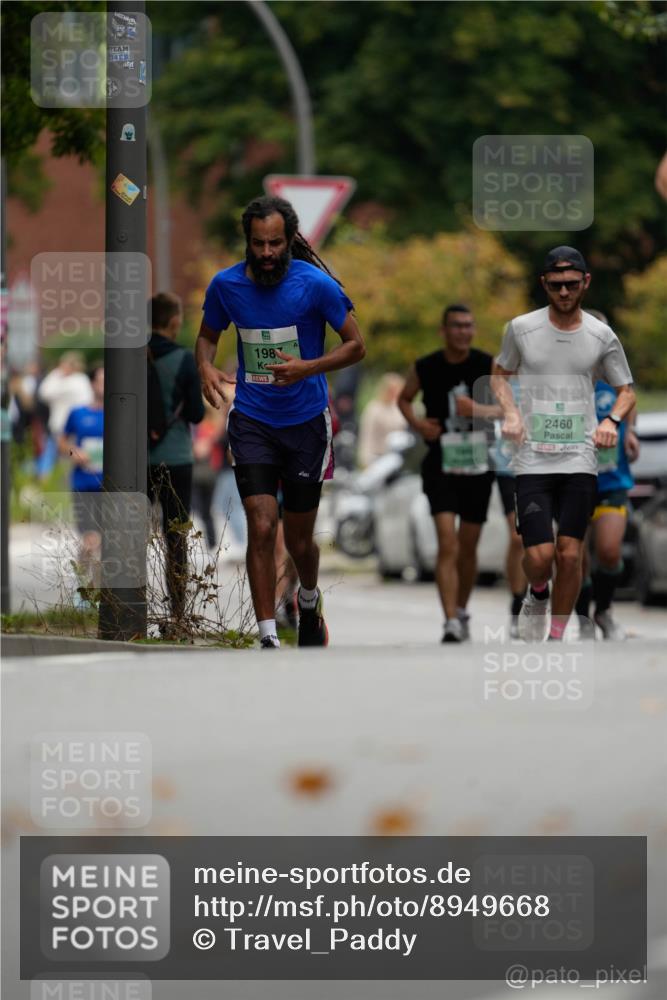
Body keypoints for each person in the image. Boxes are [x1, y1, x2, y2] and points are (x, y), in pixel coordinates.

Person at [195, 194, 365, 649]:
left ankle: (307, 599)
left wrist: (307, 367)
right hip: (253, 420)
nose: (267, 253)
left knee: (300, 539)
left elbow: (356, 345)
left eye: (275, 243)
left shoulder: (316, 285)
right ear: (247, 242)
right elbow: (207, 337)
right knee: (262, 524)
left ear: (289, 240)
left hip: (306, 422)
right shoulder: (226, 286)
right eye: (258, 244)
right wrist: (205, 366)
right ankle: (267, 633)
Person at [492, 247, 635, 641]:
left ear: (586, 282)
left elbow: (626, 390)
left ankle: (556, 636)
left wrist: (612, 421)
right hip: (533, 460)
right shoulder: (521, 328)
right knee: (539, 557)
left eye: (572, 284)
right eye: (556, 285)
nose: (565, 292)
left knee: (570, 553)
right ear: (545, 284)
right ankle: (537, 591)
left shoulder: (601, 335)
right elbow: (500, 375)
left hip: (579, 458)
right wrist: (511, 413)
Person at [398, 304, 500, 643]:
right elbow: (404, 399)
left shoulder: (487, 364)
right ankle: (450, 621)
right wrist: (418, 425)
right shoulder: (426, 366)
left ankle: (461, 608)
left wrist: (477, 409)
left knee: (468, 546)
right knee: (447, 543)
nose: (463, 331)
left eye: (468, 326)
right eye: (456, 326)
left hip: (478, 463)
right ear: (444, 331)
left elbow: (508, 408)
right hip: (440, 462)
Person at [575, 311, 640, 640]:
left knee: (609, 550)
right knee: (574, 556)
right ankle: (582, 618)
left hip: (611, 479)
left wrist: (631, 432)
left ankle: (603, 611)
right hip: (573, 478)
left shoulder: (616, 374)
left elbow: (630, 398)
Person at [147, 292, 205, 626]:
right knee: (176, 538)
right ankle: (178, 614)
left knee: (129, 535)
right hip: (177, 459)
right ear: (174, 321)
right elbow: (196, 414)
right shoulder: (183, 359)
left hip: (138, 459)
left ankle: (127, 606)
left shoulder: (133, 356)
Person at [59, 365, 105, 600]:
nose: (104, 385)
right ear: (92, 383)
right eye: (101, 380)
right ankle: (84, 593)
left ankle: (97, 594)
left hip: (109, 488)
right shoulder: (77, 413)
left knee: (104, 542)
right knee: (90, 539)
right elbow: (61, 442)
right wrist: (73, 452)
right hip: (83, 485)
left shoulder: (120, 415)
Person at [37, 351, 93, 478]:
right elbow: (44, 392)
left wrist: (57, 375)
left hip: (71, 429)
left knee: (69, 460)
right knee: (55, 459)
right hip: (58, 429)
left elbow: (46, 392)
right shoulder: (61, 379)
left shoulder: (79, 380)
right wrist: (58, 374)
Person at [357, 373, 408, 468]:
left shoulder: (399, 409)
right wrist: (365, 459)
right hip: (376, 457)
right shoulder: (374, 409)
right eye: (392, 390)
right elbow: (367, 435)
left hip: (396, 457)